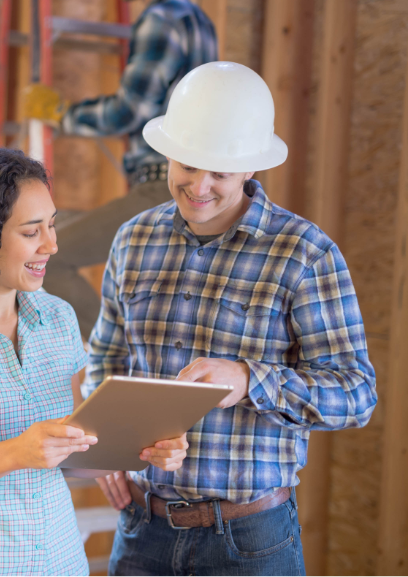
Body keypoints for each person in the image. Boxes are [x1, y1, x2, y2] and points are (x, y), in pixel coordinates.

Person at [85, 61, 378, 575]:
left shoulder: (304, 253)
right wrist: (107, 447)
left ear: (251, 168)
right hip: (141, 532)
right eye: (188, 165)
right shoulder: (133, 240)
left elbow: (356, 395)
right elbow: (105, 358)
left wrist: (249, 379)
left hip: (251, 542)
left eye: (220, 173)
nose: (199, 186)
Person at [0, 147, 189, 576]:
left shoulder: (57, 317)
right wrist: (14, 453)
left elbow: (74, 452)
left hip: (59, 561)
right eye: (31, 232)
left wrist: (143, 449)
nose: (52, 244)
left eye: (53, 225)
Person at [24, 0, 217, 337]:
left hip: (164, 187)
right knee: (56, 226)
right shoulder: (199, 21)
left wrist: (62, 114)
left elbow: (131, 109)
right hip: (179, 188)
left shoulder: (161, 18)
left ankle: (116, 349)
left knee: (44, 255)